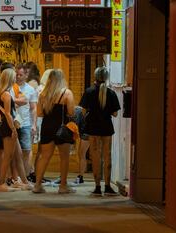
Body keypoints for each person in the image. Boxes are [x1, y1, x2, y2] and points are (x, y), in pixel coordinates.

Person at [33, 69, 76, 194]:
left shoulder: (43, 94)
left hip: (47, 127)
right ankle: (63, 186)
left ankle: (37, 185)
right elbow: (71, 112)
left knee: (44, 157)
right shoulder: (67, 93)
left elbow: (40, 113)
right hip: (62, 128)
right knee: (64, 157)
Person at [79, 67, 121, 196]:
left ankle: (97, 187)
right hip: (107, 128)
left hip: (93, 128)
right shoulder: (111, 93)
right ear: (107, 78)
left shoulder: (89, 92)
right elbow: (114, 114)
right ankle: (107, 186)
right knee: (107, 155)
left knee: (95, 156)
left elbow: (83, 111)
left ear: (95, 76)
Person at [0, 68, 32, 191]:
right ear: (9, 78)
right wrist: (13, 129)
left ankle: (24, 182)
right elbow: (8, 114)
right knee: (8, 156)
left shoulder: (5, 92)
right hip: (8, 126)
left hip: (8, 125)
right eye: (14, 76)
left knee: (18, 155)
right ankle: (1, 183)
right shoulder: (5, 94)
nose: (16, 78)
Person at [14, 63, 37, 179]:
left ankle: (25, 176)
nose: (18, 77)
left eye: (20, 75)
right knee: (13, 151)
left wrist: (33, 124)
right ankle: (14, 177)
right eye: (17, 74)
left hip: (26, 123)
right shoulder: (11, 87)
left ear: (26, 75)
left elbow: (33, 108)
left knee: (26, 150)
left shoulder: (30, 89)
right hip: (12, 123)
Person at [74, 106, 89, 184]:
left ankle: (81, 176)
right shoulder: (78, 110)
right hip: (86, 132)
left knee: (82, 154)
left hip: (86, 132)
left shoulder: (76, 111)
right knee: (82, 154)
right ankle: (80, 176)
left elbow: (75, 126)